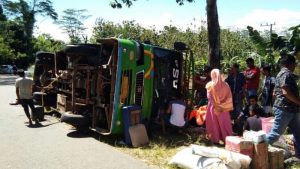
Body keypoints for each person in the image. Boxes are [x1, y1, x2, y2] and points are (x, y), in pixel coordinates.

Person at [266, 53, 300, 157]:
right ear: (291, 64)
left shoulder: (282, 74)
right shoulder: (286, 74)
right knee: (275, 134)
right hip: (285, 109)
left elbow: (274, 93)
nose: (295, 67)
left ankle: (298, 155)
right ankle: (256, 149)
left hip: (291, 110)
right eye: (295, 64)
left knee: (298, 134)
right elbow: (285, 92)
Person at [205, 69, 233, 144]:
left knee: (214, 124)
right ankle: (228, 140)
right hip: (224, 108)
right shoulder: (226, 85)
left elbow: (209, 97)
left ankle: (215, 139)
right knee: (225, 124)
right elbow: (229, 97)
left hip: (213, 108)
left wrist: (216, 105)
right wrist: (222, 105)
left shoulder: (210, 85)